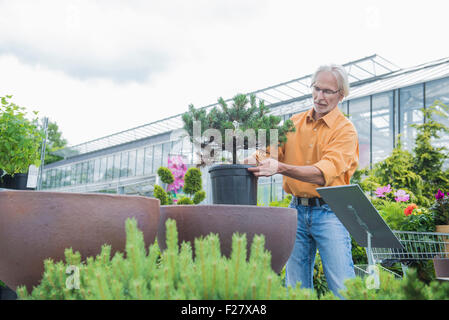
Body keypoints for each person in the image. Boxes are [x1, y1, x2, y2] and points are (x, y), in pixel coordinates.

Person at [245, 64, 359, 298]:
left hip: (331, 212)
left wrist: (281, 168)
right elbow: (268, 153)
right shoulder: (293, 123)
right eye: (316, 88)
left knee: (343, 287)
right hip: (295, 211)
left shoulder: (345, 131)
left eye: (328, 91)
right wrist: (244, 160)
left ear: (341, 95)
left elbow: (322, 173)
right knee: (296, 287)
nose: (320, 96)